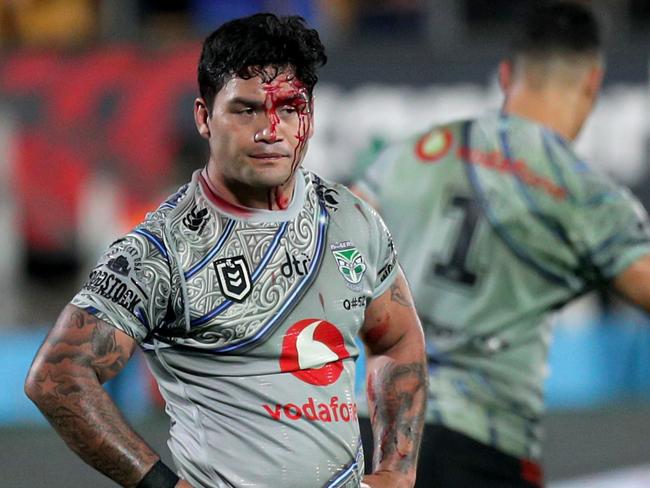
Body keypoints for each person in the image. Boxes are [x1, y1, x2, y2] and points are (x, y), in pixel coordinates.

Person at [24, 13, 427, 488]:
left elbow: (398, 340)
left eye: (291, 108)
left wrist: (397, 471)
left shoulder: (350, 218)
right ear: (203, 117)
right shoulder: (162, 248)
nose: (271, 130)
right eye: (247, 109)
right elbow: (57, 376)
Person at [353, 2, 650, 487]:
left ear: (506, 74)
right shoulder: (585, 196)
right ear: (592, 84)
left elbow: (327, 251)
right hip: (482, 447)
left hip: (376, 439)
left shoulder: (413, 153)